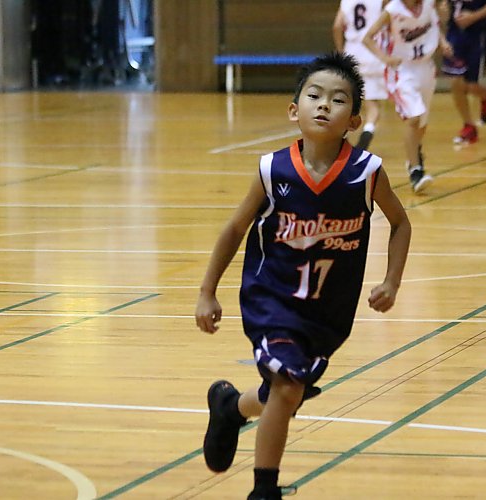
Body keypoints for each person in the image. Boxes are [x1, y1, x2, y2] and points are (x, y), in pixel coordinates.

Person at [195, 52, 411, 500]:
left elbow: (401, 223)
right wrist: (207, 291)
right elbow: (235, 229)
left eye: (338, 100)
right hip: (272, 300)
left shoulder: (366, 173)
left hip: (327, 313)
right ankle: (263, 490)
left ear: (354, 121)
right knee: (289, 385)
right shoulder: (272, 170)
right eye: (314, 96)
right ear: (294, 110)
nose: (324, 105)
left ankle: (231, 408)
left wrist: (392, 281)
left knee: (286, 393)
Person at [362, 0, 453, 193]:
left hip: (425, 67)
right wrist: (385, 58)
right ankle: (415, 171)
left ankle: (414, 155)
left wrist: (443, 41)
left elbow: (434, 24)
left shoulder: (428, 4)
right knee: (414, 117)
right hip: (402, 70)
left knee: (422, 123)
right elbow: (367, 38)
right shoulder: (392, 10)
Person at [440, 0, 486, 145]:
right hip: (455, 34)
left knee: (471, 86)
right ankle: (469, 125)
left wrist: (474, 16)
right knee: (455, 82)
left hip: (477, 35)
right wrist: (444, 6)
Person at [332, 0, 388, 150]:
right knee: (372, 103)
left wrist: (340, 51)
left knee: (346, 100)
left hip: (352, 52)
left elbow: (337, 26)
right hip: (374, 53)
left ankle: (341, 137)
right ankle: (368, 131)